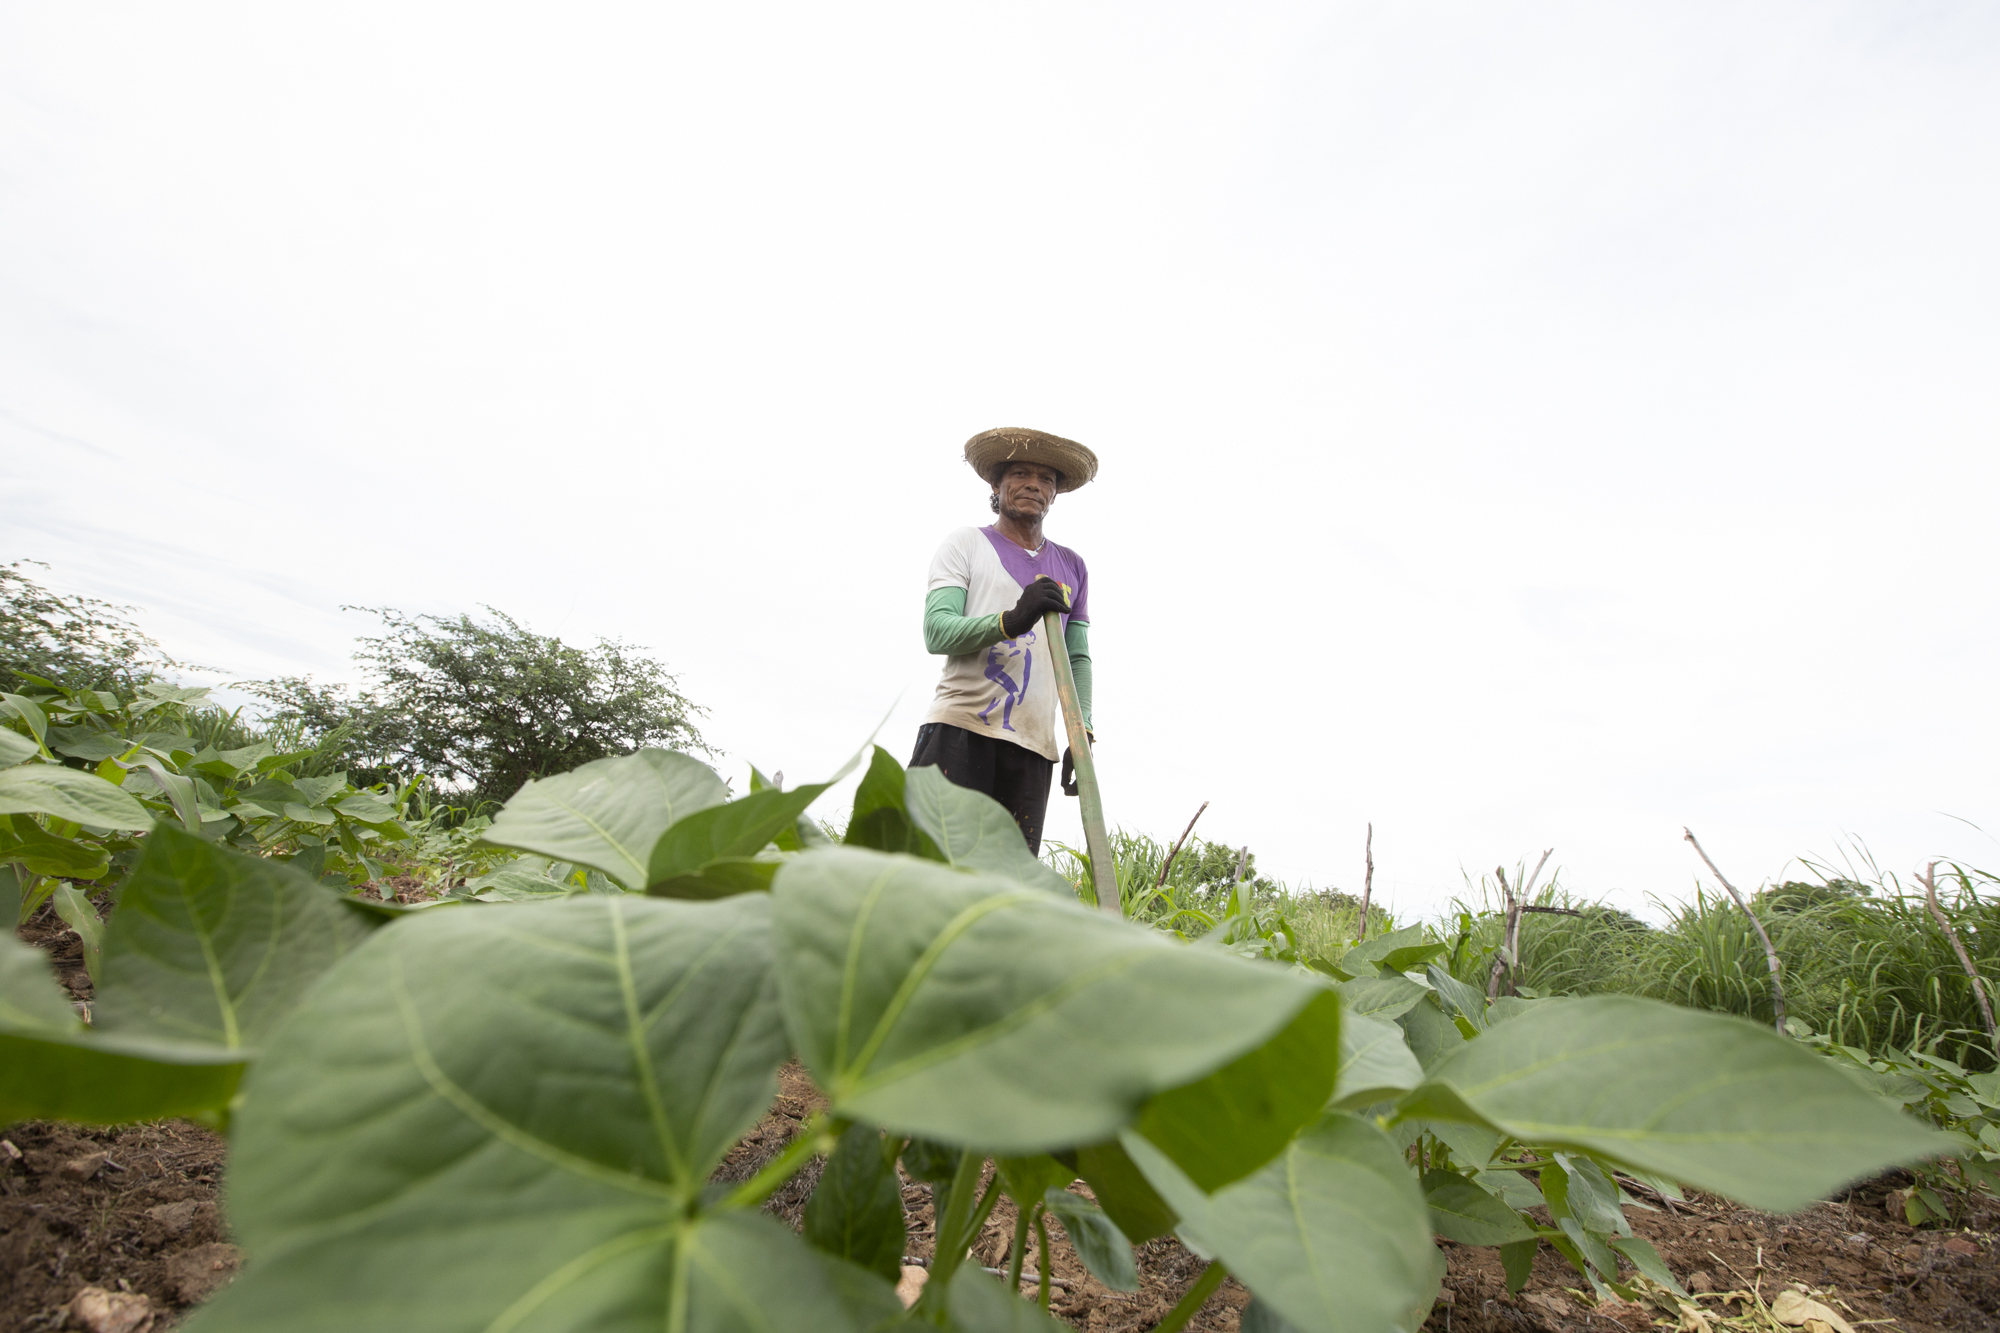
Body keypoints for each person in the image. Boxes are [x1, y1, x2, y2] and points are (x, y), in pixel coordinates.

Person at [910, 427, 1096, 854]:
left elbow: (1078, 657)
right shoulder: (966, 544)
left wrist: (1080, 728)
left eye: (1046, 478)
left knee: (1005, 885)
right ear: (996, 485)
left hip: (1032, 747)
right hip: (961, 729)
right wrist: (1012, 620)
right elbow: (937, 630)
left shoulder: (1072, 566)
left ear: (1055, 494)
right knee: (932, 866)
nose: (1034, 484)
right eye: (1020, 473)